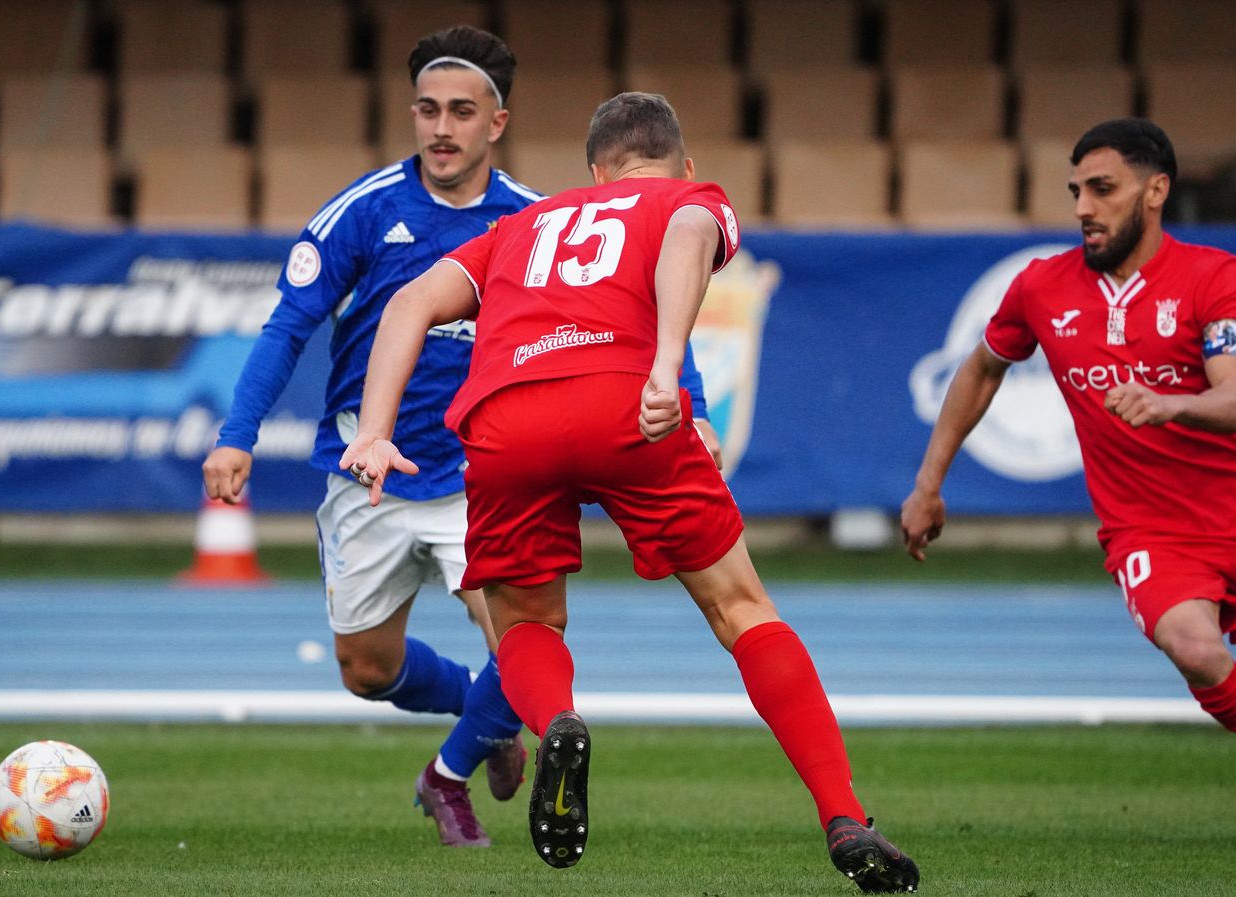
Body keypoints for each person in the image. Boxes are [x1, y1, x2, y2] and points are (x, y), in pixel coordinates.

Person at [340, 93, 919, 892]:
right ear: (683, 165)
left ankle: (558, 724)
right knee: (742, 608)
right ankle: (844, 812)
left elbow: (409, 302)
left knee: (526, 622)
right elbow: (686, 233)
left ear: (594, 172)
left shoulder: (520, 225)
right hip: (624, 403)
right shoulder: (689, 199)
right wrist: (667, 358)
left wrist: (374, 430)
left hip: (507, 415)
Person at [202, 25, 720, 850]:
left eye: (461, 112)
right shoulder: (364, 212)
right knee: (368, 671)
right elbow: (288, 325)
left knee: (524, 647)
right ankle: (484, 720)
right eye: (428, 109)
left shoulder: (536, 220)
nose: (442, 128)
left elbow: (643, 310)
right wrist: (238, 436)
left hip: (483, 474)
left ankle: (445, 775)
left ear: (497, 124)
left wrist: (689, 403)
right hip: (369, 470)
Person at [900, 118, 1236, 844]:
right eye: (1075, 192)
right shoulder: (1039, 288)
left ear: (1155, 190)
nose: (1083, 209)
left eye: (1103, 189)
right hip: (1147, 528)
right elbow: (980, 367)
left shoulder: (1219, 277)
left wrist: (1171, 403)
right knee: (1193, 647)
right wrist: (928, 482)